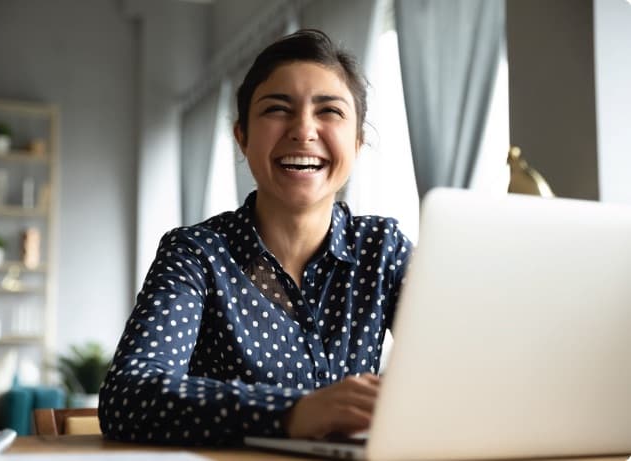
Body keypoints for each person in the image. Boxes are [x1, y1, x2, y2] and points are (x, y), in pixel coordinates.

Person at [99, 29, 413, 445]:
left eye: (329, 112)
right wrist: (291, 413)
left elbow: (459, 365)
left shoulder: (383, 248)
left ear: (357, 143)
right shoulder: (196, 253)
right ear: (242, 137)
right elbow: (129, 396)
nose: (303, 130)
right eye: (277, 109)